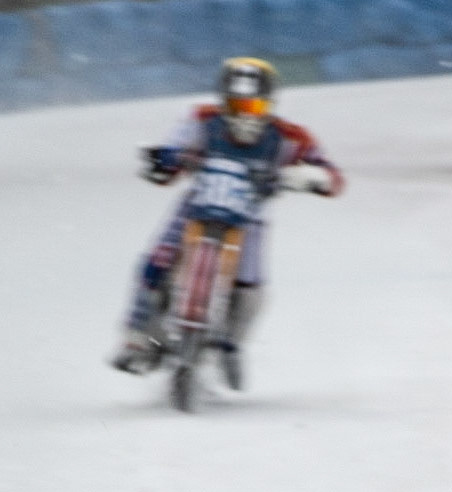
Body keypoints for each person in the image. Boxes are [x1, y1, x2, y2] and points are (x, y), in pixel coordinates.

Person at [110, 57, 343, 385]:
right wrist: (163, 159)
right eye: (237, 104)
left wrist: (309, 176)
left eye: (255, 104)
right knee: (156, 261)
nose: (246, 113)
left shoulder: (289, 136)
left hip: (250, 216)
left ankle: (232, 344)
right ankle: (138, 337)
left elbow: (332, 176)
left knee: (250, 284)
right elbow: (171, 158)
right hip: (197, 205)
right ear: (223, 102)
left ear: (270, 104)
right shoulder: (202, 120)